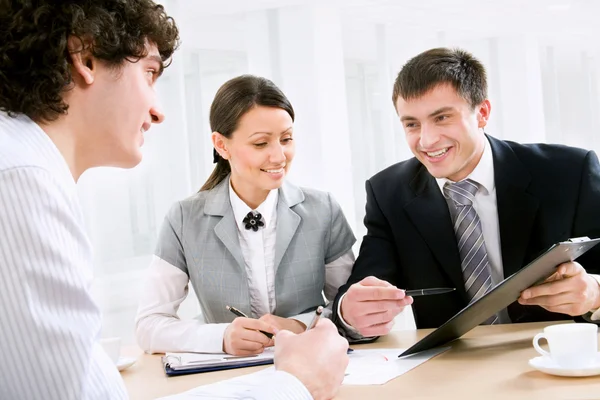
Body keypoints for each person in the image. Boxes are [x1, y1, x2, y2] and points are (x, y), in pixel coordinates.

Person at [0, 2, 349, 399]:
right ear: (86, 59)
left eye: (286, 138)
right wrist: (293, 384)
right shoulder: (20, 182)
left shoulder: (24, 171)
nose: (158, 110)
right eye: (149, 73)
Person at [333, 47, 600, 340]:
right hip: (451, 369)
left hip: (557, 356)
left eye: (442, 118)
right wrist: (350, 313)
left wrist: (595, 295)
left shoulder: (569, 172)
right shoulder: (388, 192)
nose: (426, 139)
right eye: (412, 124)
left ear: (482, 113)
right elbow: (365, 286)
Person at [135, 74, 357, 356]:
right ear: (221, 145)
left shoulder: (323, 209)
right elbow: (149, 325)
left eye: (286, 139)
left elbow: (350, 308)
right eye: (261, 144)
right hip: (226, 381)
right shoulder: (183, 219)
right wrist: (221, 337)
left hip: (313, 369)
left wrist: (300, 324)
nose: (279, 156)